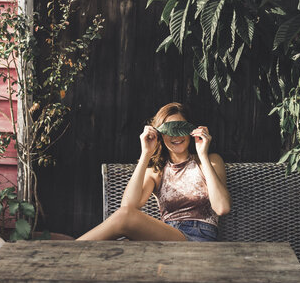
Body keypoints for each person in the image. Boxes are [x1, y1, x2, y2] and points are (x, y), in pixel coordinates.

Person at [77, 102, 231, 241]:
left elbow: (222, 207)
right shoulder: (157, 171)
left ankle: (70, 251)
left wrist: (202, 154)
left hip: (200, 237)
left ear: (191, 131)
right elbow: (128, 206)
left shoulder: (210, 161)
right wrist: (145, 154)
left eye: (180, 128)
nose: (175, 136)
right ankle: (72, 253)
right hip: (166, 236)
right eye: (168, 130)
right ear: (160, 135)